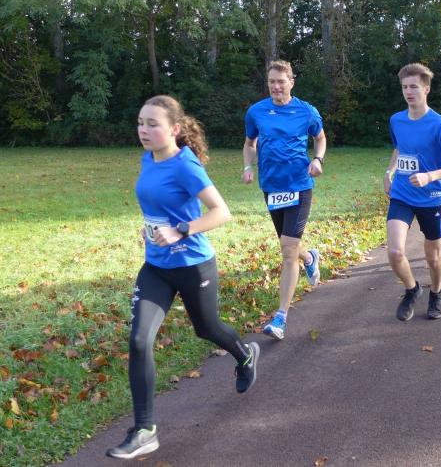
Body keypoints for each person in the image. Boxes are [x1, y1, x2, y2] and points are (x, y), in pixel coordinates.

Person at [108, 96, 259, 460]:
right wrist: (150, 229)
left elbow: (221, 212)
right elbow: (157, 205)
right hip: (156, 267)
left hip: (193, 265)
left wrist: (180, 230)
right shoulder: (148, 159)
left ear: (174, 129)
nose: (144, 130)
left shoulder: (185, 165)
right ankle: (144, 430)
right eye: (141, 122)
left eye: (153, 124)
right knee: (139, 340)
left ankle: (245, 355)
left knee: (207, 329)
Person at [242, 60, 326, 340]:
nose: (276, 87)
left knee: (287, 251)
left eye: (281, 81)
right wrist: (247, 166)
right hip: (271, 186)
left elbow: (320, 138)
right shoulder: (256, 112)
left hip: (299, 185)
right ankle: (310, 257)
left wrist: (318, 159)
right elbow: (249, 143)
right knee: (288, 244)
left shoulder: (307, 111)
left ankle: (280, 317)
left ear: (292, 82)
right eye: (272, 82)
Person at [384, 63, 441, 321]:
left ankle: (436, 292)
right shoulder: (396, 120)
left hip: (431, 198)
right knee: (395, 252)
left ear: (426, 89)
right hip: (402, 194)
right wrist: (389, 172)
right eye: (404, 87)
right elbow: (400, 149)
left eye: (414, 87)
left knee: (433, 258)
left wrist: (430, 176)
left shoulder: (439, 124)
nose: (409, 92)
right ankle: (411, 289)